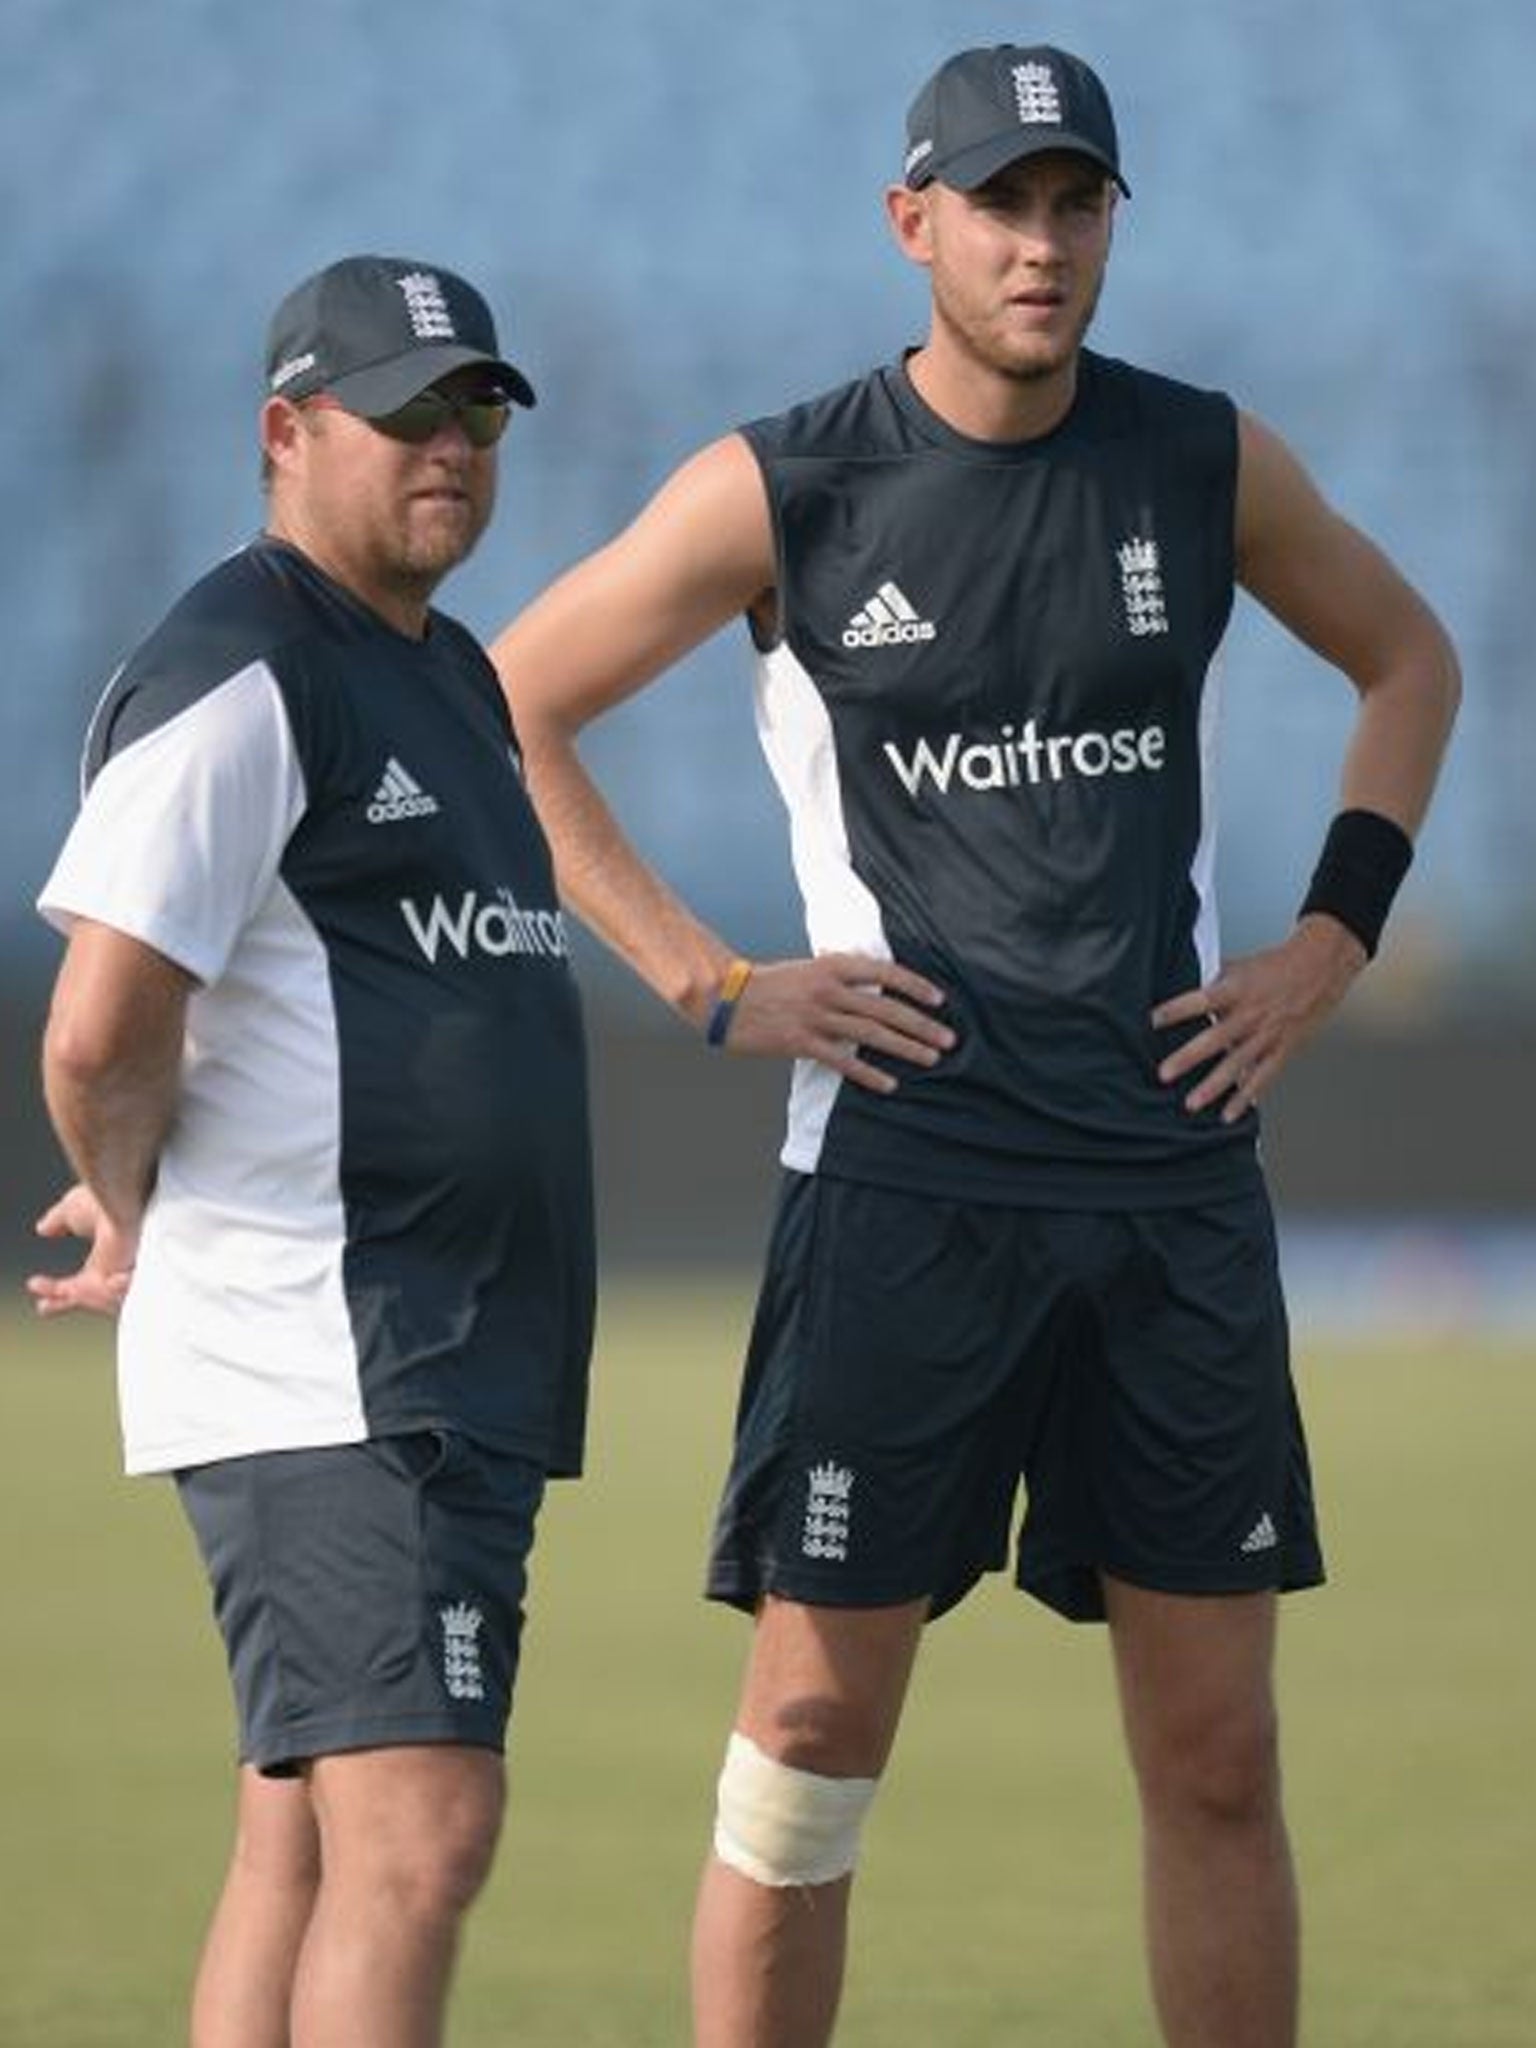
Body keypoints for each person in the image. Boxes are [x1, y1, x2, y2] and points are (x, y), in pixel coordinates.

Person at [489, 42, 1460, 2048]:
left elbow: (1409, 656)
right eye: (1001, 203)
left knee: (1217, 1761)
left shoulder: (1201, 459)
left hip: (1171, 1187)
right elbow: (512, 701)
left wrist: (1328, 943)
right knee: (807, 1747)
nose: (1041, 242)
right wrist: (708, 981)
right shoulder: (789, 482)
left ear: (1115, 223)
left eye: (1076, 201)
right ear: (910, 220)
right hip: (904, 1191)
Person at [29, 254, 595, 2048]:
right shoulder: (241, 664)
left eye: (478, 409)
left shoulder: (454, 675)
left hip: (431, 1352)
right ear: (287, 432)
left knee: (303, 1840)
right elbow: (97, 1028)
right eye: (410, 408)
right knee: (421, 1835)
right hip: (326, 1351)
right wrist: (136, 1210)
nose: (454, 443)